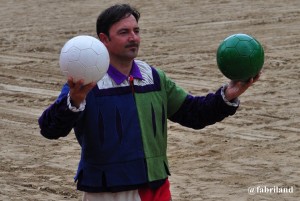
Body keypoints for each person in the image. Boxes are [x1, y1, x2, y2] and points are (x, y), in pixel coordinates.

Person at [38, 4, 260, 201]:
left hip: (156, 186)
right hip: (108, 192)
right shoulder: (86, 81)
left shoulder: (154, 77)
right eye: (124, 32)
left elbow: (193, 113)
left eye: (136, 31)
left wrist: (228, 95)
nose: (133, 37)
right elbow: (49, 128)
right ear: (104, 39)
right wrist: (73, 101)